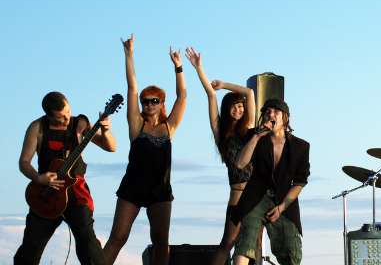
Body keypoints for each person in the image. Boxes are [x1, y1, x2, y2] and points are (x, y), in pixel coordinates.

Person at [103, 34, 187, 265]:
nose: (149, 104)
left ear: (161, 104)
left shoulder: (169, 127)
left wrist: (178, 67)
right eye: (145, 101)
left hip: (160, 189)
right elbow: (132, 88)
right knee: (118, 237)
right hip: (132, 187)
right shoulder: (137, 125)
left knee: (160, 241)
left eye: (154, 101)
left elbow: (182, 96)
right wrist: (129, 54)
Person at [15, 92, 116, 265]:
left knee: (88, 244)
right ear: (49, 116)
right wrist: (39, 178)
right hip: (46, 193)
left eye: (68, 112)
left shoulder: (80, 124)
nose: (67, 118)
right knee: (30, 249)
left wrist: (106, 131)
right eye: (61, 117)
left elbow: (111, 147)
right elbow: (24, 162)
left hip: (76, 192)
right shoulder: (37, 128)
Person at [185, 46, 256, 264]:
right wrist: (199, 68)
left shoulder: (249, 128)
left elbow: (250, 93)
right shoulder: (220, 132)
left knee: (252, 245)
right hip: (237, 193)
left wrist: (225, 84)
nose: (238, 110)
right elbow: (210, 94)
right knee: (228, 242)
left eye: (241, 107)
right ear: (227, 109)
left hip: (256, 194)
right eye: (234, 107)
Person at [231, 99, 310, 265]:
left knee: (291, 252)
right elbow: (240, 164)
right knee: (246, 242)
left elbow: (300, 182)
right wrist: (257, 136)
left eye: (276, 112)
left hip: (283, 200)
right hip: (256, 197)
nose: (270, 115)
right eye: (267, 112)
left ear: (285, 118)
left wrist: (282, 207)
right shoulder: (254, 136)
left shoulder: (300, 146)